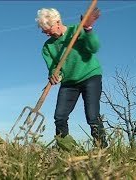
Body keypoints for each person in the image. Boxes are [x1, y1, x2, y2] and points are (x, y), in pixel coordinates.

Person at [35, 8, 108, 150]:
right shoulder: (47, 47)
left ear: (57, 22)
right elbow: (54, 68)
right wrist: (55, 75)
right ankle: (65, 150)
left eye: (48, 29)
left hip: (90, 76)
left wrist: (87, 29)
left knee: (92, 116)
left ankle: (102, 149)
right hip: (69, 83)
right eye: (44, 31)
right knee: (60, 116)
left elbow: (94, 48)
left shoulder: (77, 30)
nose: (46, 33)